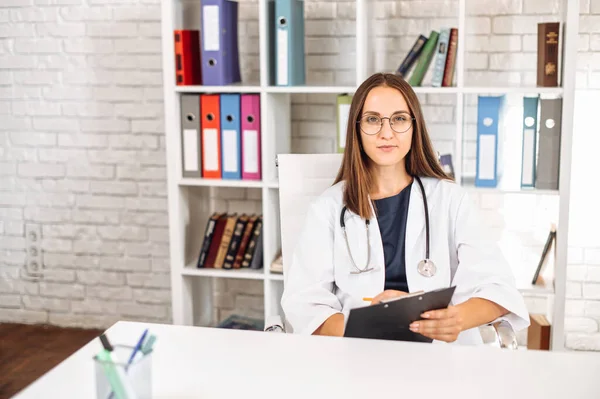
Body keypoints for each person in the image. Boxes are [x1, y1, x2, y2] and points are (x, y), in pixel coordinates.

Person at [280, 72, 529, 345]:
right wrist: (372, 326)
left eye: (398, 119)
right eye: (373, 119)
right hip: (358, 355)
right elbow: (304, 304)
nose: (386, 133)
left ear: (414, 126)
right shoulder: (327, 209)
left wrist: (456, 319)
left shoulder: (450, 200)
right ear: (357, 128)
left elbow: (500, 288)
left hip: (442, 357)